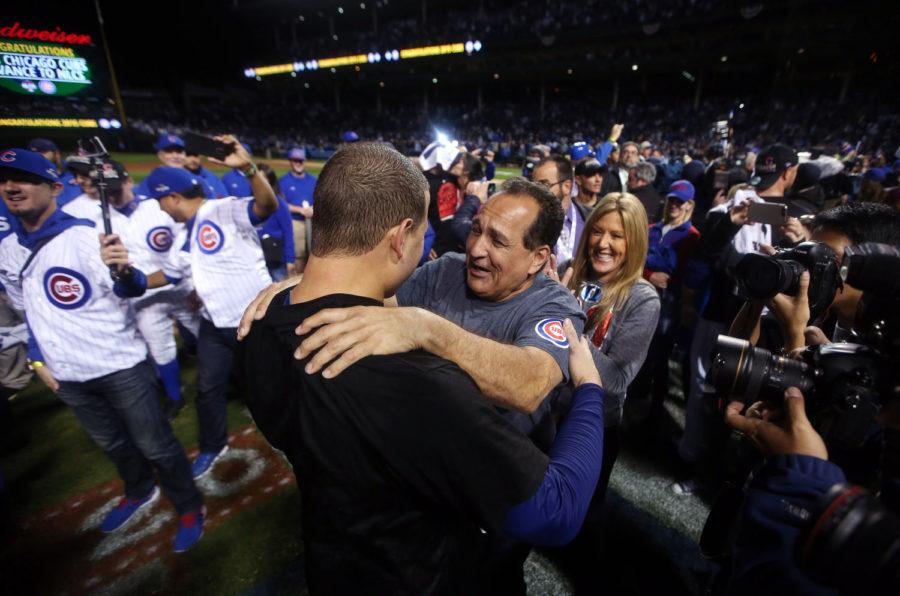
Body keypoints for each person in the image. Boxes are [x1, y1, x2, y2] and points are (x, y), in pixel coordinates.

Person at [238, 141, 605, 594]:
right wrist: (308, 282)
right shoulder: (445, 270)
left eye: (499, 241)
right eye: (477, 229)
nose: (476, 248)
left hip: (497, 499)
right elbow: (369, 281)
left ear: (539, 258)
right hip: (421, 521)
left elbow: (530, 384)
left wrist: (428, 329)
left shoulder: (554, 305)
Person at [0, 148, 204, 551]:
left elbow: (128, 289)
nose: (11, 186)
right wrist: (38, 359)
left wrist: (126, 270)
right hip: (67, 374)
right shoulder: (7, 249)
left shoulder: (85, 235)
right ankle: (140, 489)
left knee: (155, 443)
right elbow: (29, 313)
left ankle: (188, 504)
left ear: (54, 188)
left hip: (118, 364)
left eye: (24, 178)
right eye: (5, 179)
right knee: (112, 444)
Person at [101, 136, 278, 479]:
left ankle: (289, 428)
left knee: (268, 384)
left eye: (159, 201)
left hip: (253, 320)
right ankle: (213, 445)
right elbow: (166, 274)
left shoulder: (223, 209)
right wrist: (128, 275)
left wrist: (249, 169)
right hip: (214, 324)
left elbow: (267, 207)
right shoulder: (185, 236)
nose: (158, 208)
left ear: (173, 197)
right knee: (208, 389)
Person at [62, 157, 201, 418]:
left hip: (181, 285)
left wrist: (196, 283)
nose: (112, 195)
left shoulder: (156, 207)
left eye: (116, 188)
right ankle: (174, 396)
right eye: (107, 191)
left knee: (204, 334)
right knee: (159, 347)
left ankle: (227, 377)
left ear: (129, 181)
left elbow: (187, 238)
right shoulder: (98, 220)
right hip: (143, 297)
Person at [564, 192, 661, 500]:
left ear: (633, 242)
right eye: (597, 231)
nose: (603, 243)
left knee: (576, 525)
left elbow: (617, 381)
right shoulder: (567, 271)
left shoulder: (642, 299)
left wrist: (565, 319)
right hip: (540, 412)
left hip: (590, 428)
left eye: (617, 235)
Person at [631, 180, 701, 417]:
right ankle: (635, 397)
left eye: (679, 202)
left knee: (659, 354)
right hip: (640, 295)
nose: (674, 205)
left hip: (668, 304)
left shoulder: (692, 236)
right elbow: (634, 262)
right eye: (672, 199)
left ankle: (654, 408)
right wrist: (649, 275)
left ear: (689, 205)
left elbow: (684, 275)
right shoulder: (652, 229)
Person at [533, 155, 581, 273]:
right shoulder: (530, 223)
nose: (536, 192)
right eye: (534, 186)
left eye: (544, 185)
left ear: (566, 186)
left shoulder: (589, 220)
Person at [278, 147, 316, 270]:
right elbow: (281, 204)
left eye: (301, 161)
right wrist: (300, 210)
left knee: (314, 254)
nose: (298, 163)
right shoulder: (283, 181)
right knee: (298, 254)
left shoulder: (313, 180)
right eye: (295, 160)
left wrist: (314, 208)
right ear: (290, 161)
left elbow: (322, 199)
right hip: (295, 222)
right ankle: (297, 281)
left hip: (313, 221)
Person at [258, 163, 296, 281]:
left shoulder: (279, 204)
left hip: (276, 259)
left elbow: (288, 233)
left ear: (270, 181)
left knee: (278, 295)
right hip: (257, 258)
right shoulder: (251, 203)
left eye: (263, 179)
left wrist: (290, 260)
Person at [134, 134, 188, 199]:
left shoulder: (197, 179)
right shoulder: (150, 182)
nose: (175, 156)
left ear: (185, 154)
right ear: (160, 155)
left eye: (179, 151)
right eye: (169, 151)